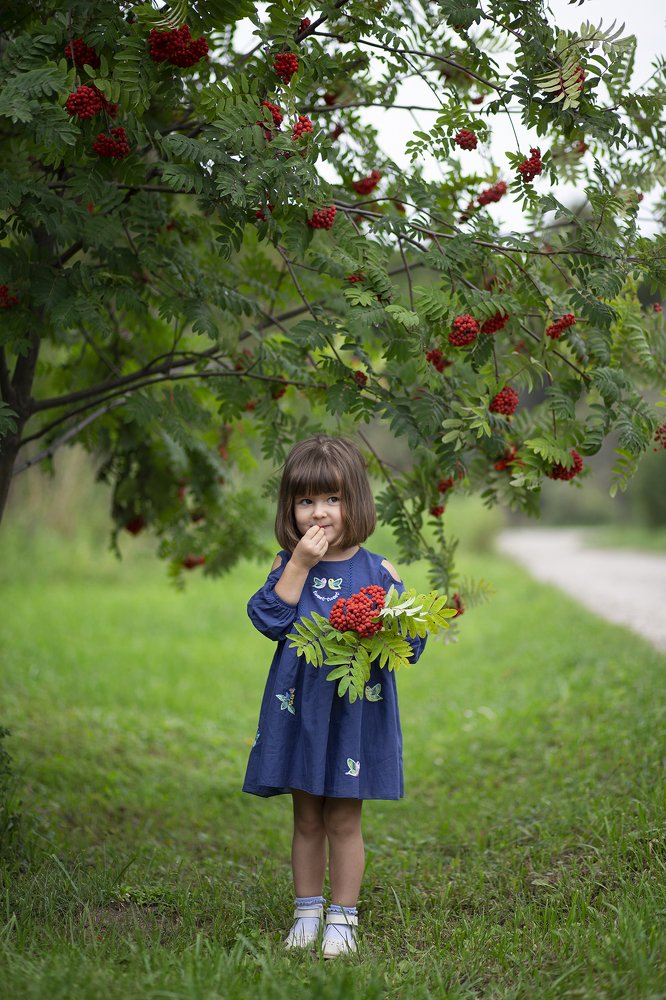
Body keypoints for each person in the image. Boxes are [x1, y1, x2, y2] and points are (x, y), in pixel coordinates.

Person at [242, 435, 427, 958]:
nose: (318, 514)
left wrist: (394, 615)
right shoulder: (288, 566)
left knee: (344, 819)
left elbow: (411, 646)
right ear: (290, 509)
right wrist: (298, 566)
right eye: (306, 501)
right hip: (301, 712)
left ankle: (342, 919)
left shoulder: (378, 572)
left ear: (356, 503)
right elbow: (268, 620)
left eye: (332, 499)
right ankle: (306, 912)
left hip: (354, 715)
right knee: (306, 817)